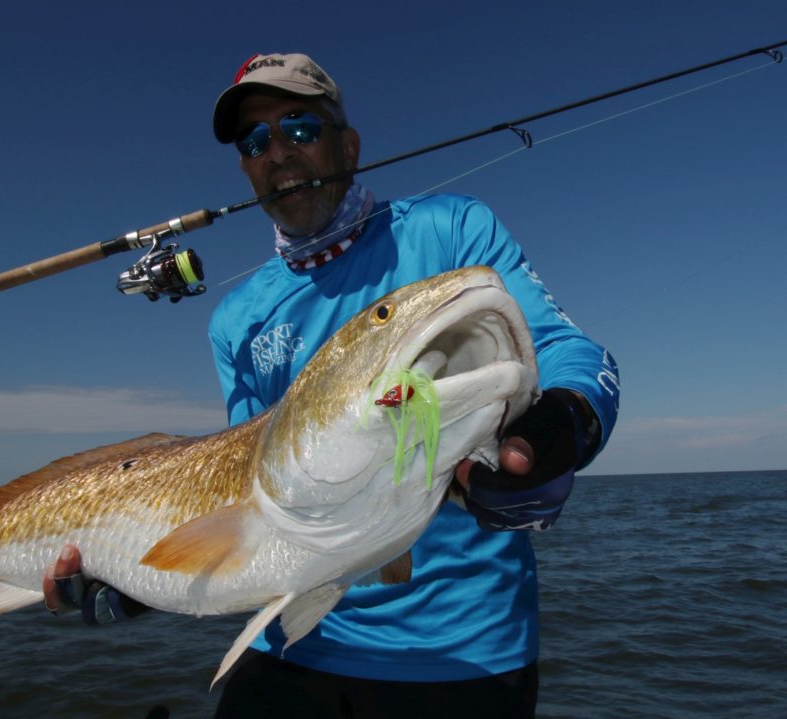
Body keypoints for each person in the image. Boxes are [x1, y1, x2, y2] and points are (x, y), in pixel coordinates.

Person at [44, 53, 619, 718]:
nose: (278, 152)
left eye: (299, 127)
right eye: (256, 141)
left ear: (347, 145)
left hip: (464, 652)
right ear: (246, 169)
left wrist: (565, 424)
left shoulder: (452, 229)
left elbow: (563, 347)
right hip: (298, 641)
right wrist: (143, 575)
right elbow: (249, 485)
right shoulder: (236, 317)